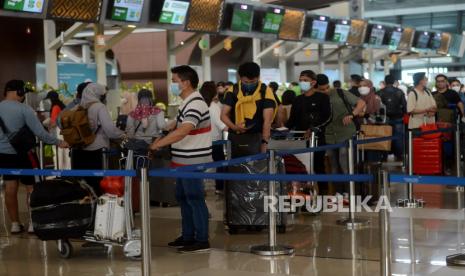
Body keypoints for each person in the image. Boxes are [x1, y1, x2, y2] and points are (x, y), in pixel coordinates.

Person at [150, 65, 212, 253]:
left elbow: (185, 130)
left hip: (192, 160)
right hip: (182, 159)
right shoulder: (187, 102)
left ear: (185, 83)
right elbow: (179, 124)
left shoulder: (195, 103)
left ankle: (201, 239)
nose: (172, 85)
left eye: (174, 81)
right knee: (183, 198)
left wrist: (158, 145)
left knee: (194, 198)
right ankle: (188, 236)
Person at [0, 80, 68, 234]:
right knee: (32, 188)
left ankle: (15, 224)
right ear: (19, 92)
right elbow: (40, 133)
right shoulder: (24, 109)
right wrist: (58, 142)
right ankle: (32, 222)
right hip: (24, 153)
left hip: (3, 155)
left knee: (10, 188)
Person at [71, 83, 125, 194]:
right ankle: (97, 208)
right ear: (98, 95)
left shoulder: (78, 107)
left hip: (79, 151)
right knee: (98, 184)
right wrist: (123, 134)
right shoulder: (100, 107)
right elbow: (110, 130)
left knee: (83, 185)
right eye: (103, 94)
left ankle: (86, 208)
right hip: (98, 150)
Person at [221, 62, 277, 157]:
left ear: (258, 77)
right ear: (240, 77)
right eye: (246, 82)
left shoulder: (265, 92)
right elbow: (223, 115)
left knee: (256, 168)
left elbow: (267, 121)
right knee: (235, 169)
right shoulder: (233, 91)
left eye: (253, 82)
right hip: (235, 138)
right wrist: (235, 127)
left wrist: (264, 143)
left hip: (257, 138)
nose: (249, 84)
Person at [324, 77, 366, 198]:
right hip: (329, 135)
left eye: (327, 87)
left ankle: (350, 191)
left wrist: (352, 115)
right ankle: (338, 192)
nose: (326, 91)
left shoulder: (340, 92)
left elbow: (361, 103)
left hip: (346, 133)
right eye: (322, 89)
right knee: (334, 165)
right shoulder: (319, 97)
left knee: (345, 163)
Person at [200, 81, 227, 194]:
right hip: (215, 141)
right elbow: (222, 125)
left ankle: (201, 187)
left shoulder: (200, 105)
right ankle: (219, 188)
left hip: (201, 141)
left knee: (202, 165)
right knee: (220, 165)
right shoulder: (214, 106)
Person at [126, 89, 165, 155]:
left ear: (139, 99)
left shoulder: (133, 113)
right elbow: (161, 126)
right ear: (151, 98)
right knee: (155, 163)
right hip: (154, 143)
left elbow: (130, 132)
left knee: (140, 162)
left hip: (138, 144)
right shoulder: (158, 111)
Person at [378, 75, 407, 161]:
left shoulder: (379, 92)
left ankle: (384, 156)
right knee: (398, 137)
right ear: (394, 81)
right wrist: (404, 114)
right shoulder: (399, 92)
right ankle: (399, 156)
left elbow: (377, 106)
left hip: (384, 119)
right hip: (398, 117)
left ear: (385, 82)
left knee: (384, 137)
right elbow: (404, 106)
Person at [45, 90, 69, 169]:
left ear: (51, 99)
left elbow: (54, 123)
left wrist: (47, 124)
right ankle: (67, 172)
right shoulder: (62, 105)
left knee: (58, 153)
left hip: (58, 133)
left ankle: (58, 172)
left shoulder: (55, 107)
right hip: (65, 132)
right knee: (66, 154)